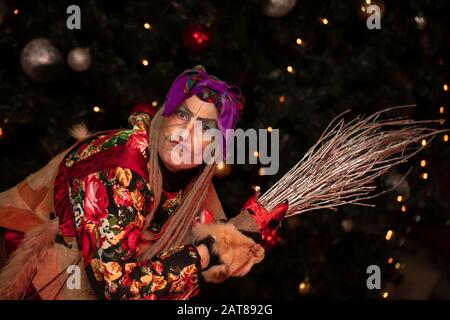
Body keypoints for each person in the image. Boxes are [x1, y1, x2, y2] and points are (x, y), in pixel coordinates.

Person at [0, 65, 288, 300]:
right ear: (165, 115)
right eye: (182, 114)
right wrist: (208, 252)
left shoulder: (195, 178)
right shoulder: (123, 166)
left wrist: (242, 237)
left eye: (206, 127)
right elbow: (115, 286)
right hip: (31, 270)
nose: (185, 133)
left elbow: (218, 243)